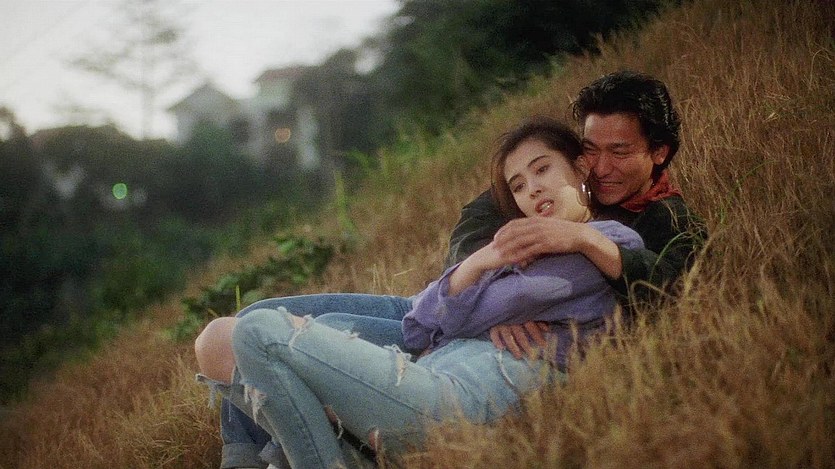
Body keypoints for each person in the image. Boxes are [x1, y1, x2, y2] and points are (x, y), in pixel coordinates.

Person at [199, 70, 707, 469]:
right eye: (591, 149)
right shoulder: (547, 183)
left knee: (271, 337)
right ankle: (251, 457)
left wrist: (578, 242)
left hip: (460, 330)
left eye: (620, 152)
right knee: (250, 322)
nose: (601, 167)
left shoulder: (664, 221)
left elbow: (665, 289)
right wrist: (494, 276)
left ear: (658, 153)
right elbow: (473, 232)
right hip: (445, 310)